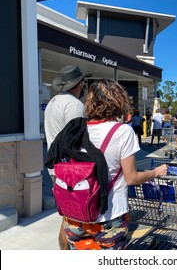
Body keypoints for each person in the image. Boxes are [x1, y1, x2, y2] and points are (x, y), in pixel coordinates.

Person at [63, 79, 168, 250]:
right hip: (108, 217)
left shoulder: (76, 129)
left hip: (76, 216)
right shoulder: (122, 132)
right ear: (118, 100)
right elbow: (132, 178)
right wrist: (155, 172)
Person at [44, 64, 89, 250]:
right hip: (70, 169)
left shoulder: (53, 102)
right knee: (75, 218)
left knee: (66, 214)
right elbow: (76, 141)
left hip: (55, 167)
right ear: (79, 83)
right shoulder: (75, 105)